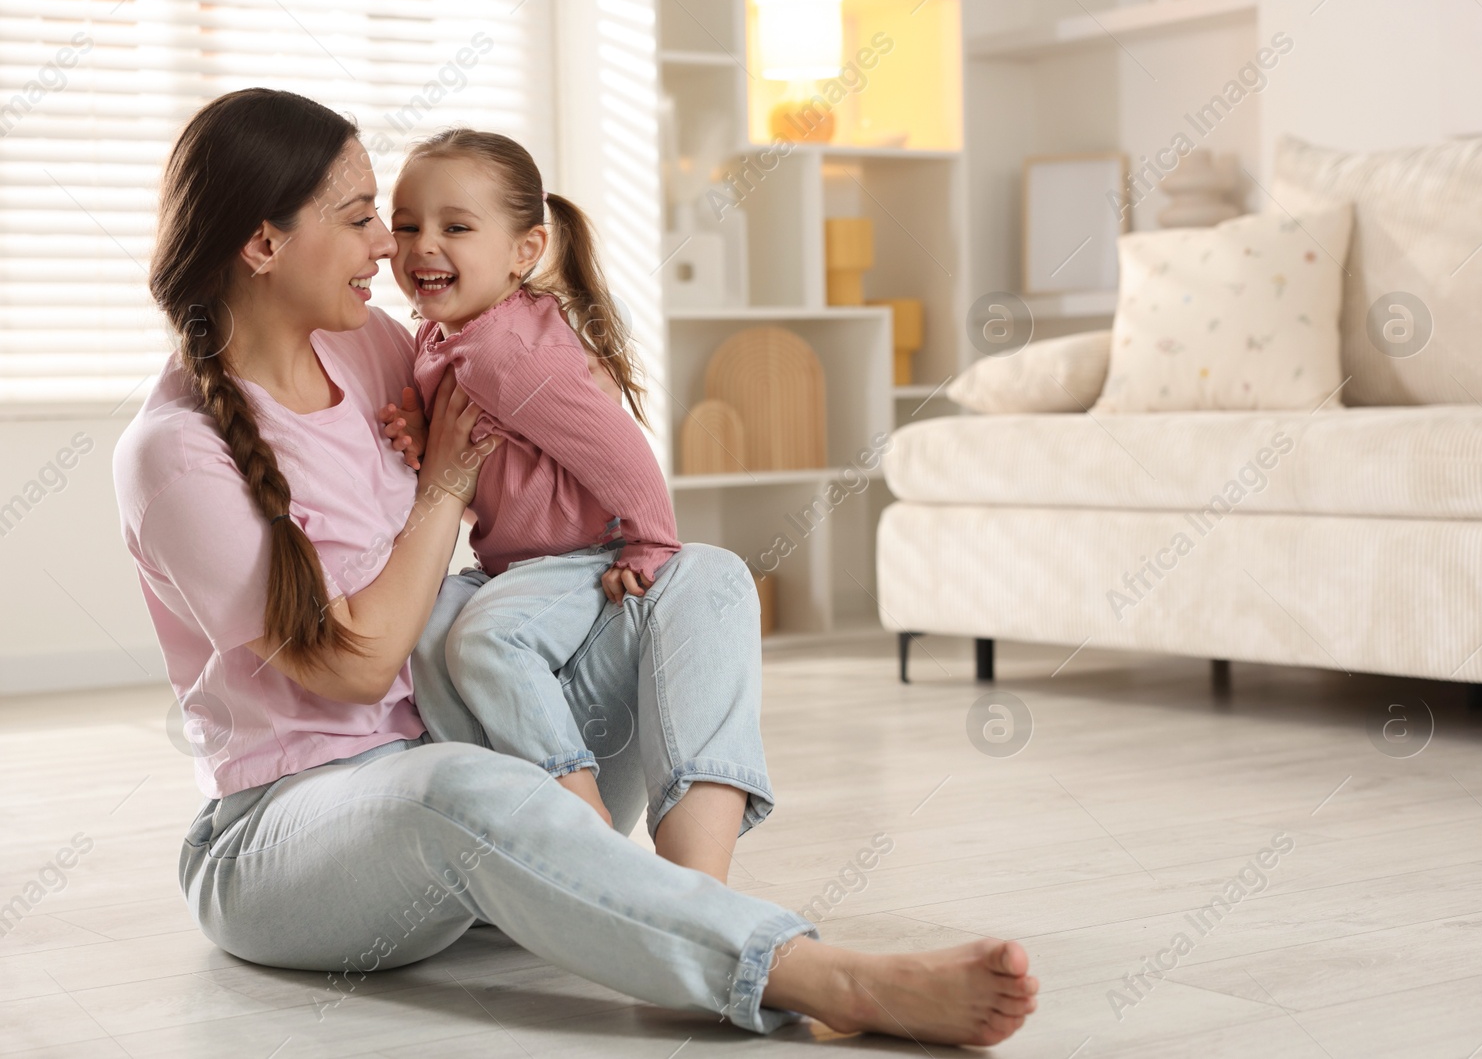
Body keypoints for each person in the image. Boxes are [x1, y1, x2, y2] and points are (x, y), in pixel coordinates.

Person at [112, 87, 1038, 1045]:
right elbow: (351, 663)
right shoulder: (174, 452)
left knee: (706, 575)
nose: (388, 248)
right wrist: (442, 490)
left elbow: (528, 380)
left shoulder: (376, 347)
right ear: (262, 244)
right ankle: (825, 977)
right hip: (290, 834)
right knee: (462, 789)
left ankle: (685, 903)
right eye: (359, 221)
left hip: (471, 755)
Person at [376, 127, 680, 830]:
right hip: (513, 563)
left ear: (526, 252)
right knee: (418, 630)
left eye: (455, 227)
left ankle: (576, 811)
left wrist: (651, 544)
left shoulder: (509, 352)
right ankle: (493, 800)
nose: (423, 244)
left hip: (582, 556)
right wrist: (424, 437)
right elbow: (489, 447)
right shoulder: (440, 334)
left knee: (486, 642)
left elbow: (618, 448)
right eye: (406, 225)